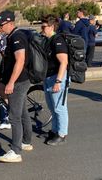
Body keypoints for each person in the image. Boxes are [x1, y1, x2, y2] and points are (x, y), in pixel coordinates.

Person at [0, 10, 33, 163]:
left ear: (10, 23)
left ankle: (15, 151)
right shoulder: (11, 37)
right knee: (23, 113)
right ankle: (26, 142)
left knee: (14, 116)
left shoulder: (17, 37)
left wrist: (10, 82)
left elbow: (20, 60)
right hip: (20, 81)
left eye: (1, 25)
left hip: (18, 82)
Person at [41, 15, 69, 146]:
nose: (41, 28)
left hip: (57, 77)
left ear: (51, 27)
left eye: (44, 26)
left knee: (59, 108)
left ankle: (62, 134)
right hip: (48, 77)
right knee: (52, 108)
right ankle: (54, 130)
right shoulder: (48, 40)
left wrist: (58, 81)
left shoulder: (58, 40)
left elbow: (64, 62)